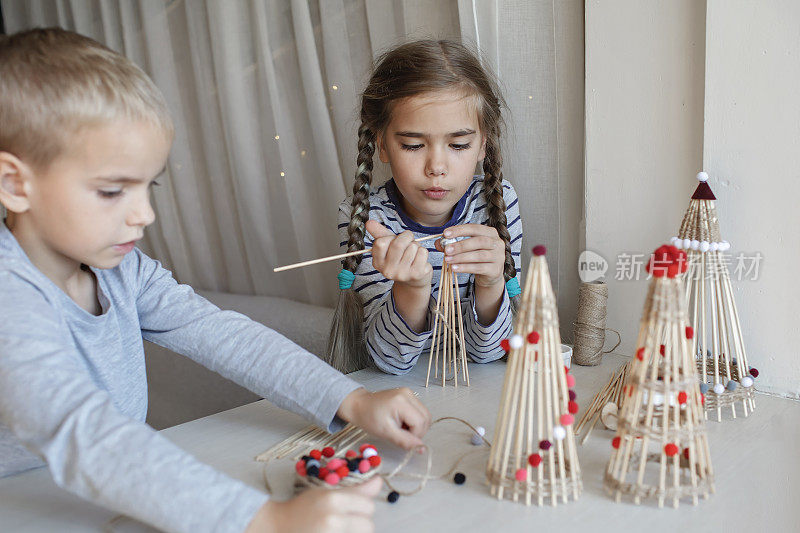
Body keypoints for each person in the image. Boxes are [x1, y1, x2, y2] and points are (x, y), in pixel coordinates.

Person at [0, 27, 431, 533]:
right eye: (112, 191)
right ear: (14, 184)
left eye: (148, 186)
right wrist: (264, 519)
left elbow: (227, 337)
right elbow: (85, 437)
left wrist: (351, 400)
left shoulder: (122, 270)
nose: (144, 214)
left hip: (111, 497)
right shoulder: (10, 299)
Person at [327, 40, 523, 375]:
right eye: (413, 145)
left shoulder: (495, 203)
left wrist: (491, 284)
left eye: (458, 144)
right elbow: (388, 361)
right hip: (397, 400)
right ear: (383, 145)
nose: (436, 166)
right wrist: (412, 289)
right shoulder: (367, 219)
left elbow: (489, 354)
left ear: (482, 145)